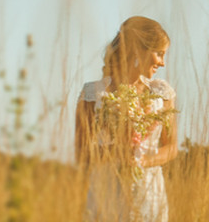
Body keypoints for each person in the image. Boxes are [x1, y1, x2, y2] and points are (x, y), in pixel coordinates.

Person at [75, 17, 178, 222]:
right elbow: (81, 152)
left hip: (149, 192)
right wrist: (115, 152)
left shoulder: (161, 93)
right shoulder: (92, 94)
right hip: (106, 192)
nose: (162, 62)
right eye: (159, 54)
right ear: (138, 50)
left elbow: (171, 147)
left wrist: (143, 160)